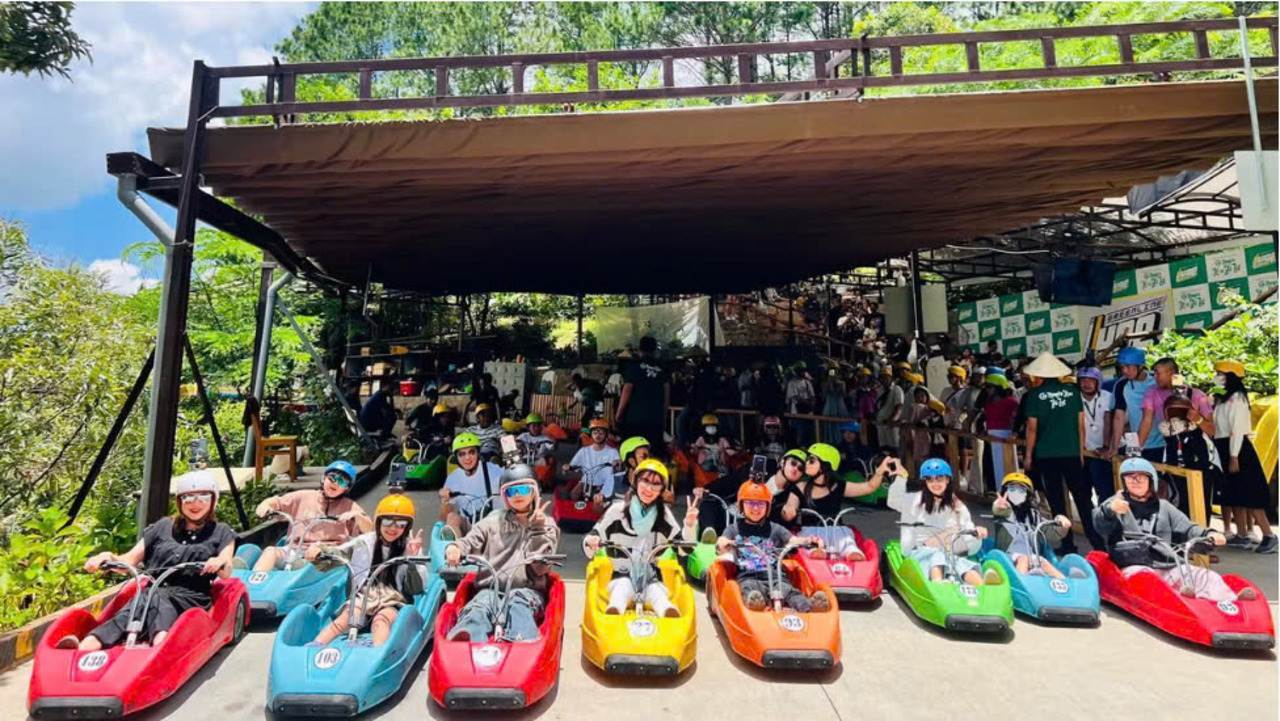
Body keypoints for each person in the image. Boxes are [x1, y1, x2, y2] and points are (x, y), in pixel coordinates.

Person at [61, 472, 237, 649]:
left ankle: (160, 645)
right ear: (179, 501)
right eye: (188, 497)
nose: (195, 503)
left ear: (213, 500)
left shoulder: (221, 531)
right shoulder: (162, 527)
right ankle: (85, 646)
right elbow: (129, 561)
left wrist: (218, 562)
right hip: (151, 593)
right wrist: (107, 557)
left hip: (189, 598)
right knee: (131, 610)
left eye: (203, 497)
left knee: (158, 601)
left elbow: (227, 568)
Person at [1093, 458, 1250, 603]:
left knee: (1204, 575)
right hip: (1133, 566)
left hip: (1166, 564)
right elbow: (1099, 523)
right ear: (1124, 481)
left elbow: (1188, 528)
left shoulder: (1164, 507)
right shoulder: (1115, 504)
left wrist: (1209, 534)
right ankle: (1182, 602)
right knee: (1147, 578)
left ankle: (1231, 602)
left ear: (1151, 481)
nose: (1135, 481)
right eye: (1130, 477)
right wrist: (1109, 510)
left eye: (1141, 477)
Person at [444, 465, 561, 641]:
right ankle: (467, 637)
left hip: (527, 590)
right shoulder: (493, 521)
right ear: (505, 496)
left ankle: (521, 640)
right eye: (511, 491)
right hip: (490, 587)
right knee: (480, 604)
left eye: (523, 489)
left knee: (517, 603)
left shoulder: (547, 525)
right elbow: (471, 540)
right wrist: (456, 548)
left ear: (534, 492)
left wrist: (538, 530)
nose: (518, 495)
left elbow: (541, 568)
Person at [309, 493, 426, 647]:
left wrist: (411, 560)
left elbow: (417, 588)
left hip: (392, 600)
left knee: (380, 622)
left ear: (407, 527)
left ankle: (379, 654)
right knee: (344, 620)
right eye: (387, 522)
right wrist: (319, 553)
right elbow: (338, 554)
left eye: (401, 524)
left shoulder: (411, 547)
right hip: (363, 596)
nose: (393, 528)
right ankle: (315, 646)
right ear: (378, 522)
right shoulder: (364, 542)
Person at [583, 460, 697, 616]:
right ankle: (614, 612)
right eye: (645, 481)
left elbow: (684, 550)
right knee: (622, 587)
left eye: (656, 484)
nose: (649, 489)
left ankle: (667, 614)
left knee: (657, 593)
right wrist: (592, 542)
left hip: (651, 577)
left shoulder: (663, 515)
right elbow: (591, 540)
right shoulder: (617, 511)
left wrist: (689, 524)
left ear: (662, 490)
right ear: (636, 481)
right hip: (620, 575)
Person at [1021, 352, 1103, 554]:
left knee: (1057, 502)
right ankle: (1098, 544)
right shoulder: (1073, 393)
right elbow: (1080, 424)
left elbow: (1032, 429)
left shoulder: (1034, 396)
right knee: (1083, 500)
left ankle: (1068, 544)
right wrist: (1080, 451)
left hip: (1046, 455)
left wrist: (1028, 455)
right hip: (1072, 453)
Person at [715, 481, 830, 612]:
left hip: (776, 577)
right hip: (749, 576)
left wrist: (809, 540)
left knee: (789, 591)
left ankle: (809, 607)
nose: (756, 508)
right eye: (750, 503)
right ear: (741, 505)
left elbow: (793, 540)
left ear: (768, 507)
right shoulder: (734, 529)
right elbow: (722, 541)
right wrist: (723, 543)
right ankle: (755, 605)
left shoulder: (775, 529)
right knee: (749, 589)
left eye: (761, 504)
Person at [888, 458, 996, 587]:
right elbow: (893, 500)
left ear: (947, 480)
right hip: (920, 550)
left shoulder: (956, 505)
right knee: (938, 555)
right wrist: (901, 477)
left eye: (939, 479)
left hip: (947, 551)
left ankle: (983, 586)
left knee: (957, 562)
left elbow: (967, 527)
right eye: (930, 479)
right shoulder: (915, 500)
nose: (935, 483)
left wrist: (977, 532)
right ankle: (938, 584)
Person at [249, 460, 373, 572]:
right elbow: (276, 501)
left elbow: (370, 530)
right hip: (295, 548)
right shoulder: (304, 496)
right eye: (332, 478)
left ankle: (301, 572)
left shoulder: (349, 506)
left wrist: (357, 516)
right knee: (270, 551)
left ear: (346, 488)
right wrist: (266, 506)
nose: (335, 483)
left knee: (314, 553)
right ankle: (253, 585)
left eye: (342, 482)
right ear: (324, 478)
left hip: (328, 553)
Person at [1212, 361, 1277, 553]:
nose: (1216, 377)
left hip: (1237, 449)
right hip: (1224, 447)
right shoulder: (1222, 398)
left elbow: (1237, 429)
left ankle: (1269, 535)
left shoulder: (1238, 398)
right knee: (1235, 493)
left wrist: (1234, 455)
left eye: (1220, 374)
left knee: (1250, 493)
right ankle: (1241, 534)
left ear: (1231, 377)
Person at [783, 449, 894, 562]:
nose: (806, 464)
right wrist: (789, 510)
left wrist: (879, 473)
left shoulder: (838, 486)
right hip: (811, 532)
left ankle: (852, 552)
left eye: (811, 461)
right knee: (809, 541)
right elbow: (790, 506)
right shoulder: (801, 487)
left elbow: (869, 487)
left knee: (846, 538)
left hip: (837, 530)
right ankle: (816, 551)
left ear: (825, 466)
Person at [990, 472, 1075, 579]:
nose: (1016, 493)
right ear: (1005, 492)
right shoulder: (1005, 514)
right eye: (1012, 489)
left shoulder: (1033, 515)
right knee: (1023, 559)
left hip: (1032, 556)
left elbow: (1048, 531)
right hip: (1008, 557)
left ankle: (1065, 583)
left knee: (1043, 562)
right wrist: (999, 506)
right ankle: (1021, 582)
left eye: (1021, 490)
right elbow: (999, 511)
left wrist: (1063, 526)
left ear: (1028, 495)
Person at [1138, 358, 1215, 465]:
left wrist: (1198, 419)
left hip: (1198, 453)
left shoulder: (1196, 395)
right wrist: (1135, 450)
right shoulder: (1152, 392)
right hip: (1172, 451)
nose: (1154, 376)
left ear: (1171, 373)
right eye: (1154, 373)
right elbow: (1146, 422)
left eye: (1158, 373)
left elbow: (1213, 431)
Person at [440, 432, 504, 537]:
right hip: (470, 525)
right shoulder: (452, 478)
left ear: (478, 453)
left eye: (471, 452)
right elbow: (443, 519)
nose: (467, 458)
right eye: (462, 454)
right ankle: (457, 546)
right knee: (451, 517)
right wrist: (445, 501)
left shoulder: (494, 470)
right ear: (456, 458)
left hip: (494, 525)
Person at [614, 336, 668, 458]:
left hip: (635, 419)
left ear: (640, 350)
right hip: (655, 419)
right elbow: (666, 394)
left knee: (633, 453)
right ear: (655, 350)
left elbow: (627, 390)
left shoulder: (634, 366)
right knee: (654, 454)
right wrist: (663, 418)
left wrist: (619, 414)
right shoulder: (662, 369)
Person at [1110, 347, 1158, 460]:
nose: (1124, 371)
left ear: (1140, 366)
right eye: (1122, 367)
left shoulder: (1157, 381)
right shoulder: (1121, 384)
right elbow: (1118, 417)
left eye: (1128, 366)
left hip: (1160, 442)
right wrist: (1114, 447)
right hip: (1134, 442)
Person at [1077, 367, 1115, 505]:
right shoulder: (1075, 398)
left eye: (1091, 380)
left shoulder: (1107, 397)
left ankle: (1105, 515)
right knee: (1083, 491)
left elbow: (1109, 421)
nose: (1086, 384)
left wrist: (1106, 445)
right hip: (1084, 451)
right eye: (1083, 380)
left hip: (1103, 452)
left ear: (1098, 382)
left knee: (1105, 490)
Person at [563, 418, 621, 503]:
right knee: (573, 495)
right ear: (591, 434)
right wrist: (568, 467)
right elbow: (573, 466)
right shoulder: (584, 451)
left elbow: (619, 468)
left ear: (606, 434)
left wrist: (617, 464)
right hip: (585, 482)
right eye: (595, 433)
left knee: (600, 503)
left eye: (601, 433)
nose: (597, 436)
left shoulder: (613, 452)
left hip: (604, 485)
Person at [980, 373, 1019, 487]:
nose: (987, 390)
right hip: (990, 437)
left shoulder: (1011, 402)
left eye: (989, 387)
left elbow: (1016, 420)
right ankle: (997, 490)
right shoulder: (988, 403)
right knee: (993, 467)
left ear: (998, 387)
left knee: (1007, 465)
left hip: (1005, 436)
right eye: (986, 387)